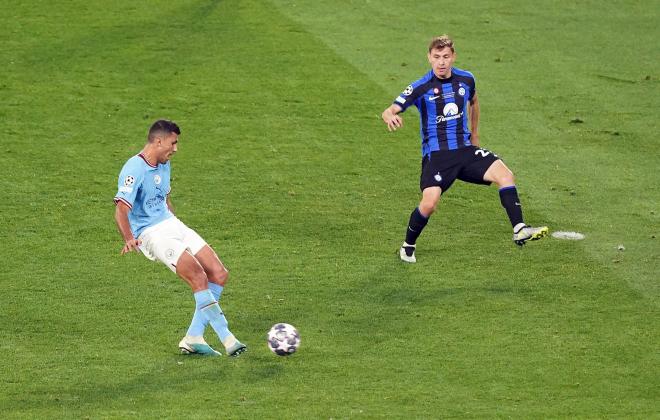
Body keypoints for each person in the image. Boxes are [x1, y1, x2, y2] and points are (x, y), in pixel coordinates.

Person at [381, 35, 548, 263]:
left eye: (446, 57)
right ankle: (408, 245)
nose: (442, 62)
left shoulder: (466, 80)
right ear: (429, 58)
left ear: (453, 57)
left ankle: (519, 227)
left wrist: (475, 134)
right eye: (437, 57)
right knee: (429, 204)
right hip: (437, 157)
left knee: (506, 175)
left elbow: (474, 102)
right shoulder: (421, 87)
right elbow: (390, 109)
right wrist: (390, 116)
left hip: (465, 151)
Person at [113, 119, 246, 356]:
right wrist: (129, 238)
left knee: (218, 273)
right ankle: (228, 339)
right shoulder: (134, 168)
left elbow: (164, 198)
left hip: (172, 225)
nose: (176, 149)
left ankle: (194, 337)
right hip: (150, 234)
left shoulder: (164, 163)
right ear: (158, 141)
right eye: (173, 143)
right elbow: (121, 210)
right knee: (197, 276)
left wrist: (176, 226)